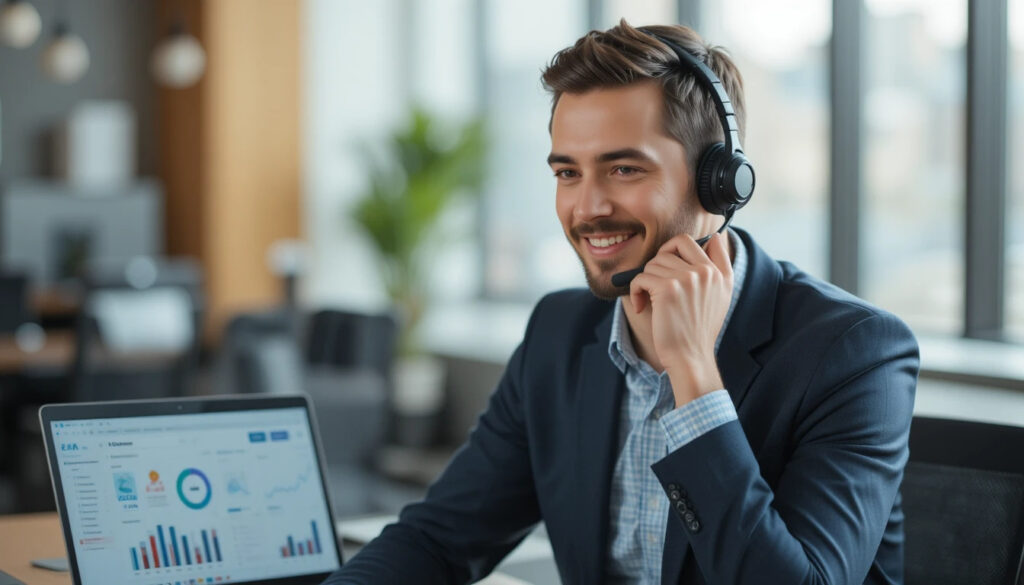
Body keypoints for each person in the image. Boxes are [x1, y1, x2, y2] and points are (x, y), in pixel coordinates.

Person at [323, 20, 918, 585]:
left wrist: (694, 375)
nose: (587, 208)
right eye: (568, 173)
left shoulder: (854, 353)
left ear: (720, 181)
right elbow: (438, 540)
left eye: (625, 169)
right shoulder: (560, 332)